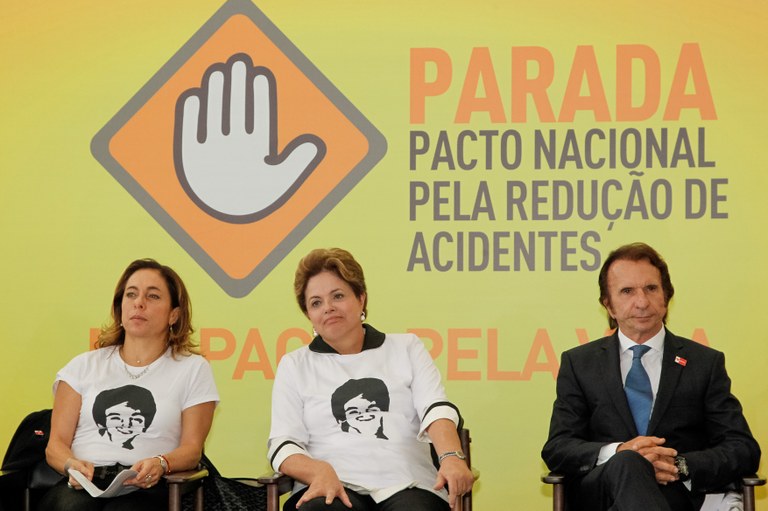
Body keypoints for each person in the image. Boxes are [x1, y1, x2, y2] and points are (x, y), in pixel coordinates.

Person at [541, 242, 760, 511]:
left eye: (651, 288)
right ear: (608, 305)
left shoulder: (704, 362)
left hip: (676, 494)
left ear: (666, 297)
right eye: (627, 291)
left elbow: (743, 448)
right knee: (628, 462)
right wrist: (619, 452)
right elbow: (558, 447)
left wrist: (679, 465)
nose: (642, 302)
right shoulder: (579, 363)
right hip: (602, 495)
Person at [267, 248, 474, 511]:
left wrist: (451, 456)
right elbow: (283, 443)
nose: (328, 308)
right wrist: (317, 471)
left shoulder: (406, 347)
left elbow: (435, 408)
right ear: (309, 315)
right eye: (316, 303)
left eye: (338, 296)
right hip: (330, 487)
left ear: (361, 299)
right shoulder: (294, 364)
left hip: (407, 483)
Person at [40, 259, 220, 511]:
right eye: (131, 294)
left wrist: (161, 462)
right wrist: (71, 465)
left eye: (153, 296)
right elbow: (55, 446)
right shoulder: (82, 366)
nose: (139, 303)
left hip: (147, 485)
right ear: (120, 308)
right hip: (84, 481)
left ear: (174, 314)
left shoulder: (193, 368)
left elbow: (192, 450)